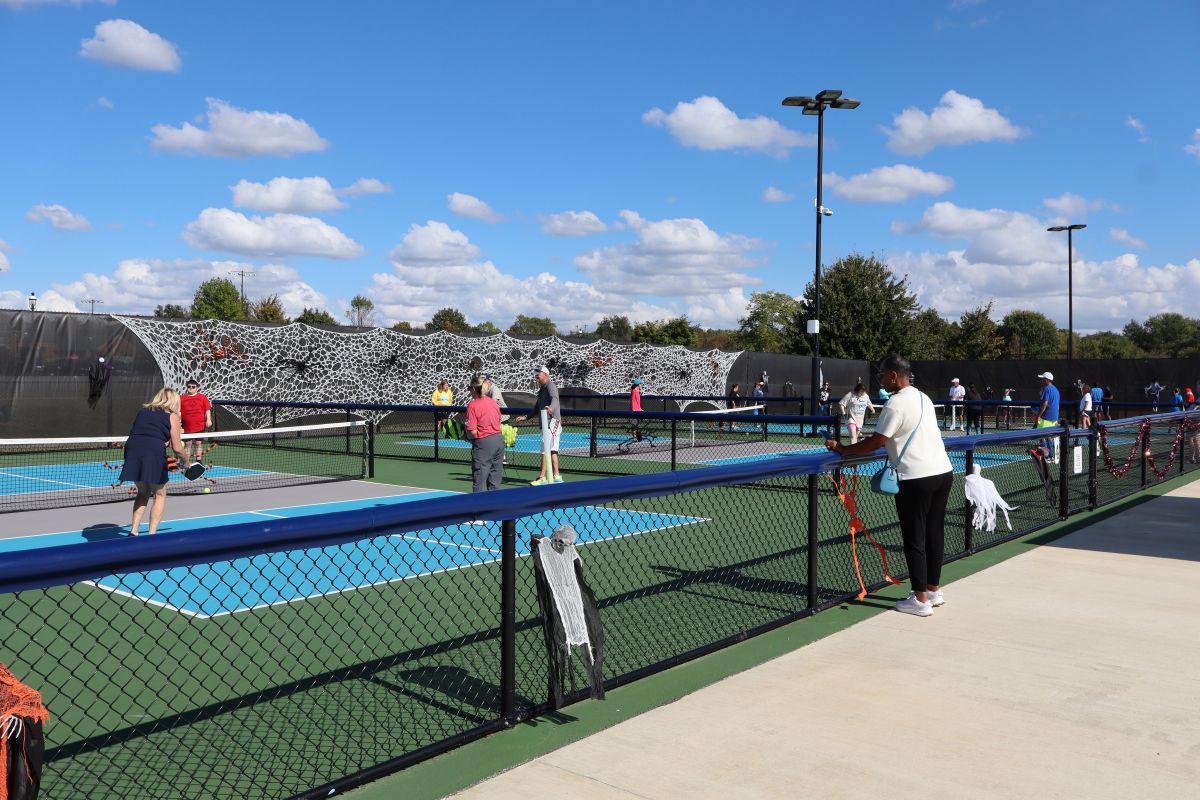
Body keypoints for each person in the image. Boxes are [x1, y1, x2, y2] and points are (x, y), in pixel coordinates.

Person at [825, 355, 953, 617]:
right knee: (934, 533)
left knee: (914, 538)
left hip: (916, 477)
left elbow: (876, 441)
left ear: (894, 376)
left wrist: (844, 450)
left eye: (882, 375)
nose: (880, 380)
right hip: (943, 472)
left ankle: (919, 600)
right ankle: (933, 591)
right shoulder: (923, 397)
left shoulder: (895, 404)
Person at [118, 388, 187, 536]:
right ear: (174, 401)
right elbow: (177, 448)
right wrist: (186, 460)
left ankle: (134, 531)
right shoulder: (172, 416)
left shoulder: (143, 412)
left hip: (132, 449)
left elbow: (141, 432)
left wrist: (162, 439)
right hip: (153, 451)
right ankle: (152, 535)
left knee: (142, 492)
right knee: (159, 494)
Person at [515, 365, 562, 485]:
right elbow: (537, 408)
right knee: (552, 450)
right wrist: (525, 417)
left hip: (552, 422)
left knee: (545, 449)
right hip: (547, 423)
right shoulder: (541, 390)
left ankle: (542, 477)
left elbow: (555, 399)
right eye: (535, 374)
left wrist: (551, 408)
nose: (536, 376)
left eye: (538, 374)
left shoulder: (550, 385)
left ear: (545, 375)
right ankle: (557, 476)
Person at [464, 376, 504, 493]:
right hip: (498, 441)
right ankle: (495, 508)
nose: (469, 391)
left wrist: (466, 436)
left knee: (480, 481)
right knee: (494, 481)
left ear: (474, 389)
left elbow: (472, 432)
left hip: (484, 445)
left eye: (470, 388)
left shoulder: (472, 405)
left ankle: (478, 510)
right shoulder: (493, 403)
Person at [179, 379, 212, 464]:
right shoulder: (181, 398)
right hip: (187, 426)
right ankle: (186, 462)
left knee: (198, 443)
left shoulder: (202, 397)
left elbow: (207, 409)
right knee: (188, 444)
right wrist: (178, 423)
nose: (191, 388)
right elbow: (178, 411)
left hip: (199, 425)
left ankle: (199, 461)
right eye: (189, 386)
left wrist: (208, 419)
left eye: (193, 387)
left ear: (197, 388)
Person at [1033, 371, 1061, 461]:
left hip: (1046, 417)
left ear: (1047, 380)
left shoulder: (1047, 389)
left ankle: (1046, 456)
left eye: (1043, 379)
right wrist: (1056, 418)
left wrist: (1038, 416)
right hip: (1053, 417)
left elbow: (1044, 404)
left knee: (1041, 436)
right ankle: (1051, 456)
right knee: (1049, 437)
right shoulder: (1056, 390)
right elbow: (1057, 405)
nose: (1041, 380)